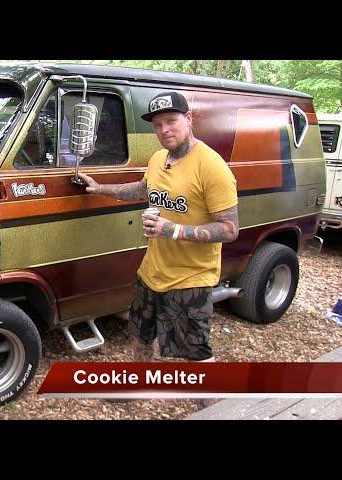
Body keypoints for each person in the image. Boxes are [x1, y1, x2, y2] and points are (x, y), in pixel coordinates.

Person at [78, 90, 239, 366]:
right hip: (151, 273)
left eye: (171, 121)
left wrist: (171, 230)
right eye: (157, 124)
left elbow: (229, 229)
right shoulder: (158, 159)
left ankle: (207, 407)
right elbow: (143, 189)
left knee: (193, 351)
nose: (164, 130)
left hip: (190, 280)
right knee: (140, 336)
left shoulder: (212, 167)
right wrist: (99, 188)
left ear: (189, 119)